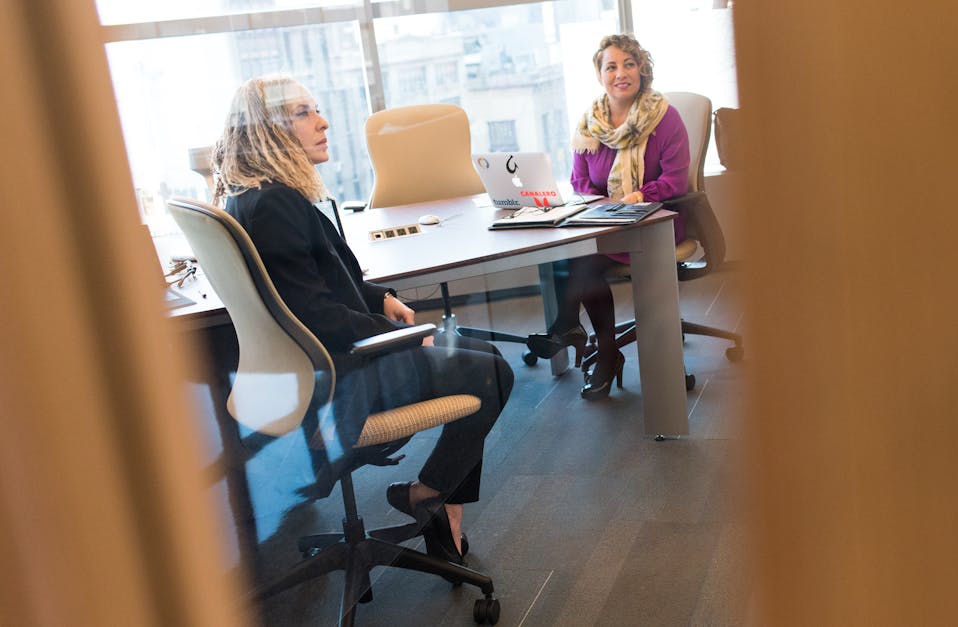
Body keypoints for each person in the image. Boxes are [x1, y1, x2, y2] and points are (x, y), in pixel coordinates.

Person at [211, 74, 512, 565]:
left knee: (485, 358)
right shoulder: (276, 206)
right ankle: (429, 498)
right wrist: (403, 337)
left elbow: (306, 287)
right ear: (269, 128)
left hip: (322, 365)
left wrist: (379, 297)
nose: (323, 122)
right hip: (347, 375)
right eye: (304, 113)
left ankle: (439, 505)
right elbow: (316, 316)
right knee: (491, 371)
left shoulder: (252, 197)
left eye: (316, 110)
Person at [526, 34, 690, 400]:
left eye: (628, 64)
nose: (621, 73)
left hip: (655, 221)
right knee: (568, 252)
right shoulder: (591, 122)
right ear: (600, 75)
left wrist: (636, 197)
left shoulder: (664, 117)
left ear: (642, 70)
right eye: (611, 66)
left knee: (582, 260)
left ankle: (582, 338)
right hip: (605, 219)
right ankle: (601, 347)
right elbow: (579, 180)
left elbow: (675, 180)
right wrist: (601, 205)